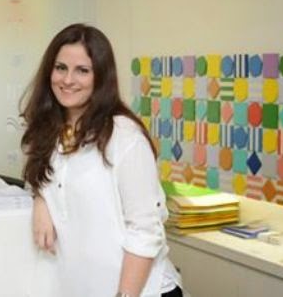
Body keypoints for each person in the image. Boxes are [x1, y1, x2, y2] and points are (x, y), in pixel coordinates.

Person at [21, 24, 182, 297]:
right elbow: (50, 180)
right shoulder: (49, 133)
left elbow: (145, 231)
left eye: (82, 70)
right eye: (60, 68)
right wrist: (40, 199)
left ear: (101, 77)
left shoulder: (124, 137)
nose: (68, 79)